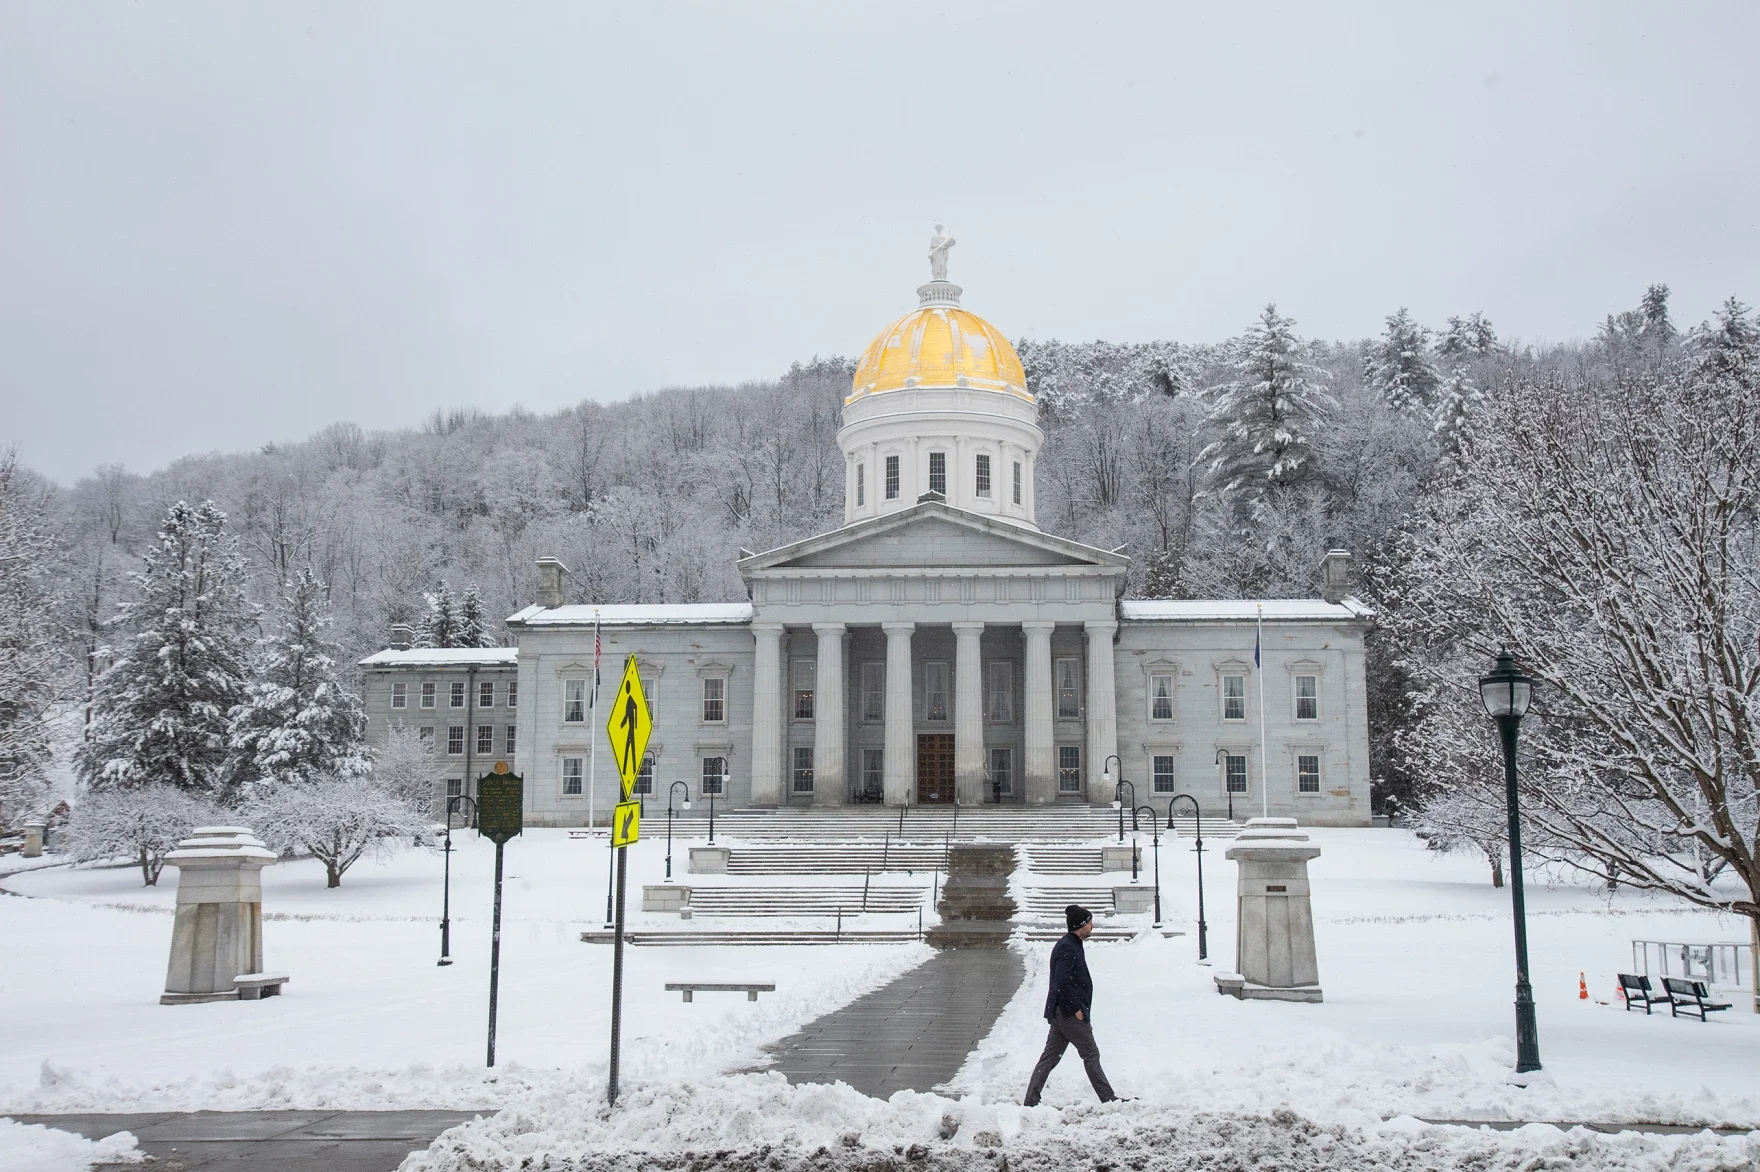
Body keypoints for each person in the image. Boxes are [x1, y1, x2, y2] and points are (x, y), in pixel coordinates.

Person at [1023, 904, 1118, 1106]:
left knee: (1049, 1058)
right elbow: (1062, 981)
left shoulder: (1071, 944)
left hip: (1060, 1013)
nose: (1092, 925)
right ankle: (1109, 1100)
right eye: (1089, 922)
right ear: (1080, 925)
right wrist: (1076, 1010)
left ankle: (1031, 1100)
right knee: (1091, 1053)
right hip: (1068, 1013)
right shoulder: (1067, 947)